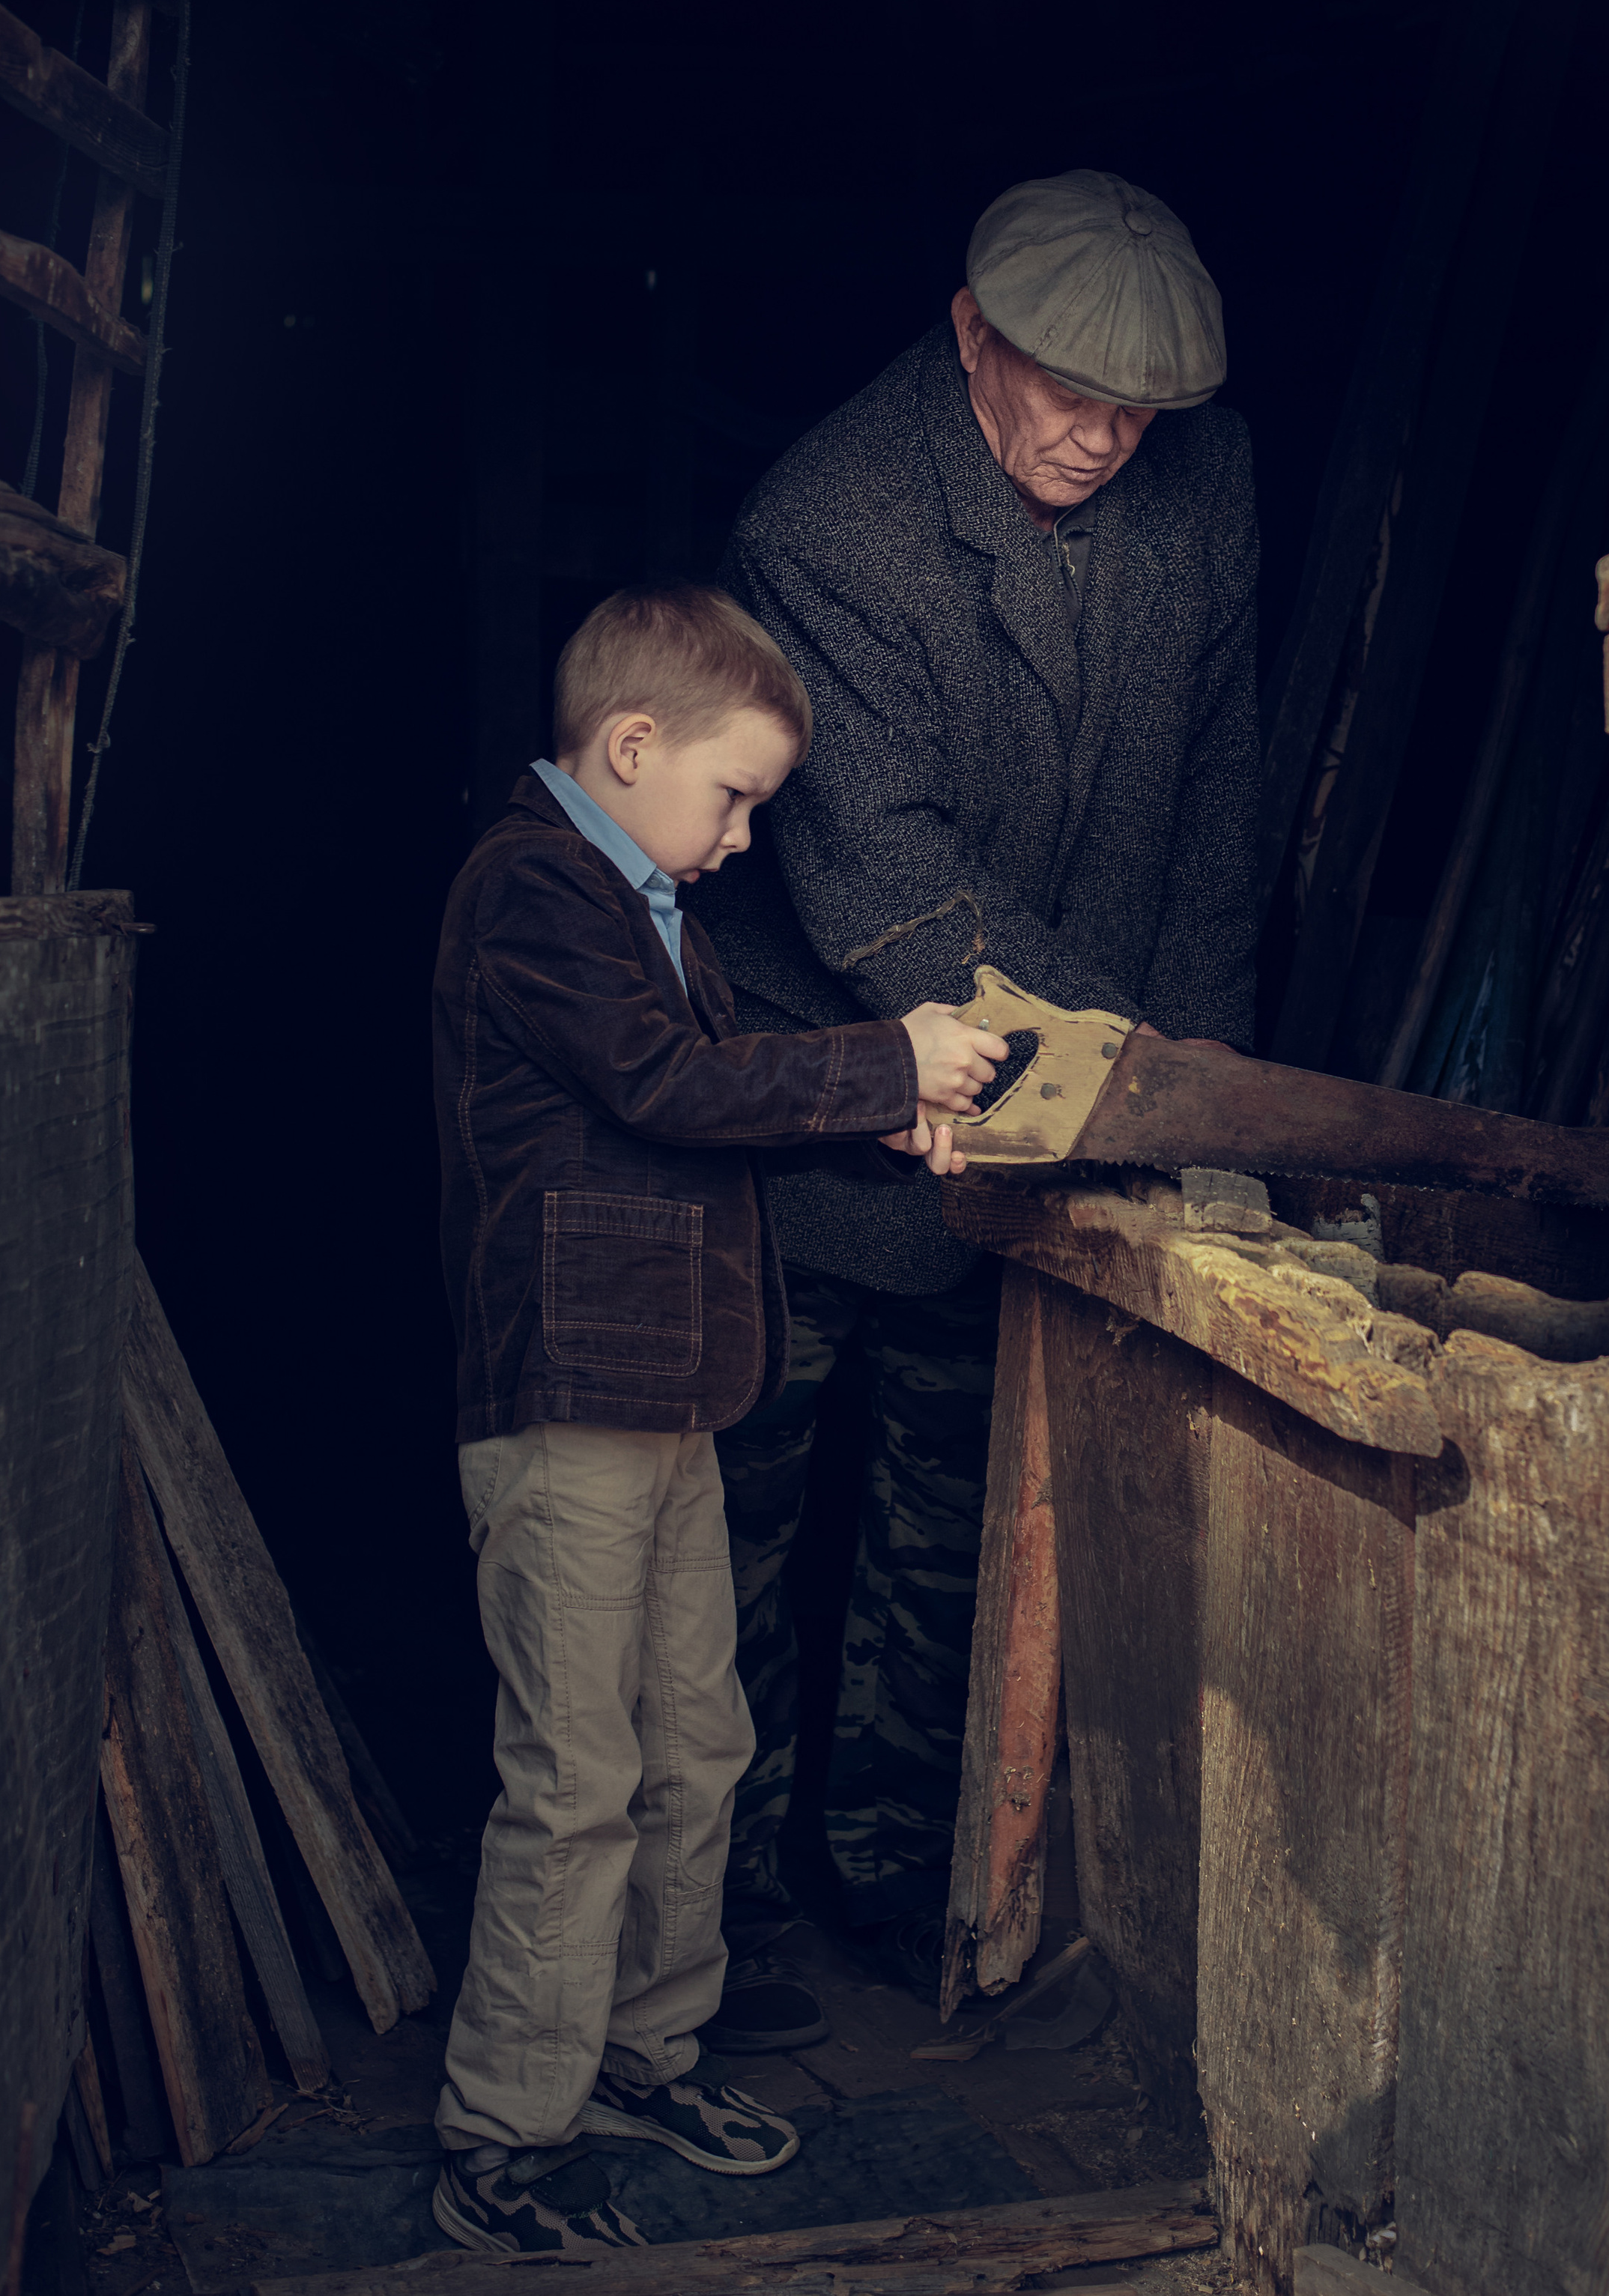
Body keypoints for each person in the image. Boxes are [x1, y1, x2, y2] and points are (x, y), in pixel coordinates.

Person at [697, 168, 1258, 2032]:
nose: (1104, 436)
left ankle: (886, 1873)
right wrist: (1132, 1078)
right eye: (1065, 391)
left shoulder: (1204, 487)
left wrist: (1187, 1086)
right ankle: (720, 1922)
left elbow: (1212, 814)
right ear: (967, 335)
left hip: (1064, 1113)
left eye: (1139, 409)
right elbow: (882, 880)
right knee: (742, 1536)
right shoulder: (829, 522)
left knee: (956, 1519)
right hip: (837, 1090)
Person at [428, 584, 1008, 2253]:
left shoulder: (645, 902)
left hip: (668, 1391)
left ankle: (637, 2052)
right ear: (629, 746)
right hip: (567, 1399)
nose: (744, 837)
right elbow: (666, 1092)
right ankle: (503, 2132)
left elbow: (725, 1100)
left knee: (697, 1745)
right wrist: (887, 1065)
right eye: (732, 795)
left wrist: (881, 1126)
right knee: (575, 1776)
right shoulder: (533, 889)